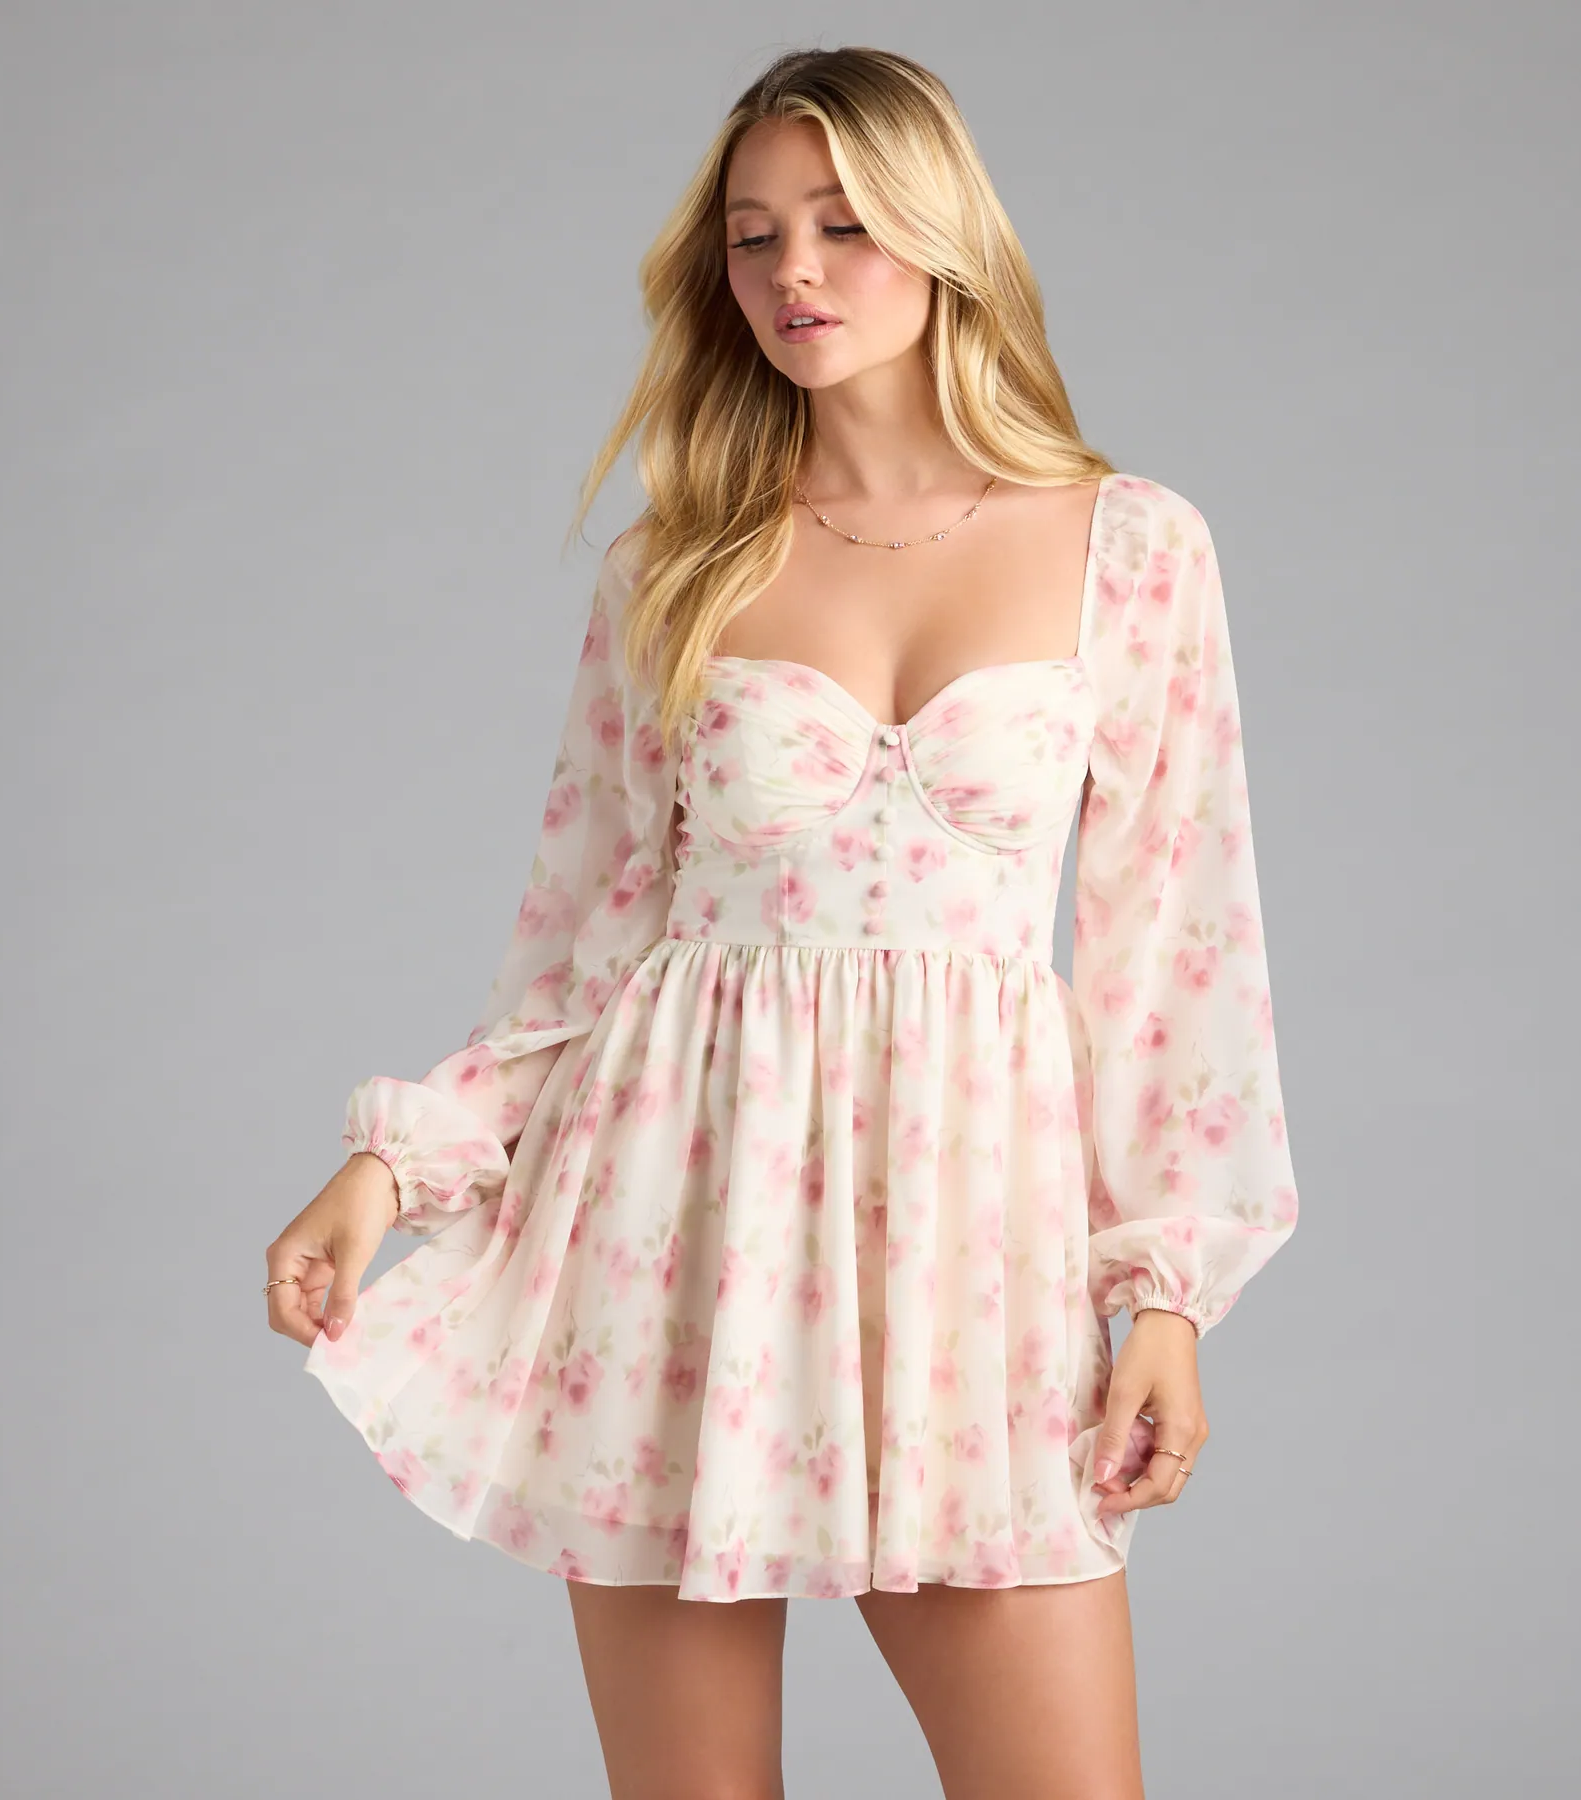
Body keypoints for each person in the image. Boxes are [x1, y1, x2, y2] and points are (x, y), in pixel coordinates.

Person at [265, 44, 1299, 1800]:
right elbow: (585, 942)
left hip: (969, 1251)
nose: (793, 272)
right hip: (677, 1228)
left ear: (944, 237)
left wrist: (1163, 1302)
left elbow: (1174, 959)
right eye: (752, 237)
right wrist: (395, 1166)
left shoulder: (1129, 550)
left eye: (842, 225)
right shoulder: (674, 568)